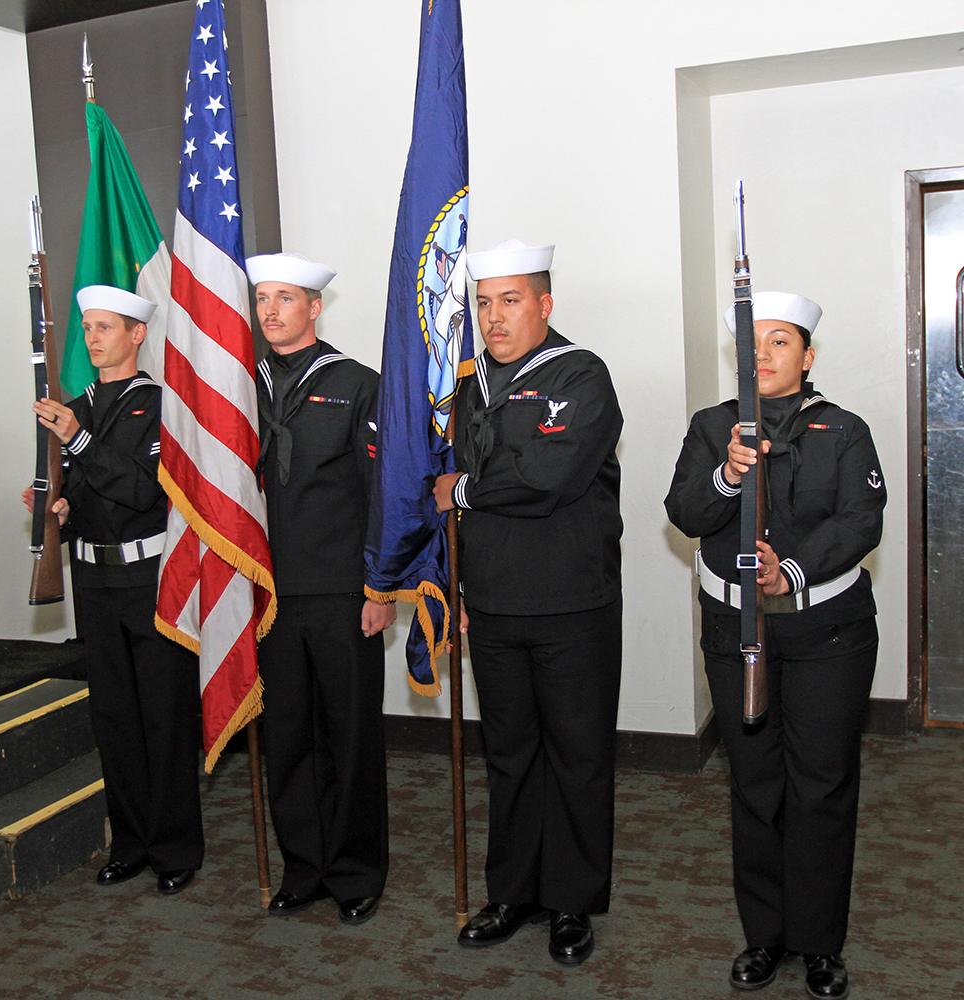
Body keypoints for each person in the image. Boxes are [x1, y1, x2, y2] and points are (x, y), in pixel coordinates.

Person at [664, 292, 885, 1000]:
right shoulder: (713, 427)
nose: (761, 354)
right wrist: (727, 475)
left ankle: (819, 943)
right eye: (751, 341)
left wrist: (791, 568)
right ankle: (764, 936)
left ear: (807, 355)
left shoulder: (844, 429)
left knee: (820, 784)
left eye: (779, 341)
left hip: (828, 633)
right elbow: (684, 512)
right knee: (755, 783)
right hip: (736, 636)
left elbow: (861, 520)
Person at [434, 239, 623, 966]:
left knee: (577, 755)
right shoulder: (470, 385)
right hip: (493, 601)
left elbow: (548, 476)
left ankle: (572, 901)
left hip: (572, 601)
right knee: (509, 755)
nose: (494, 317)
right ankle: (514, 892)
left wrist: (466, 489)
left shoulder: (581, 375)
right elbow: (456, 493)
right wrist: (460, 588)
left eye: (510, 301)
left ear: (544, 304)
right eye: (484, 303)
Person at [24, 284, 204, 894]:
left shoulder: (160, 405)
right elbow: (86, 493)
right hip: (93, 579)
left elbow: (144, 490)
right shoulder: (76, 407)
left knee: (164, 715)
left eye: (106, 327)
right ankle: (130, 843)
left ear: (137, 334)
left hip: (149, 579)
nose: (93, 337)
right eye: (88, 327)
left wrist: (79, 441)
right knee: (114, 717)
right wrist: (57, 507)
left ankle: (175, 848)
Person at [246, 252, 395, 925]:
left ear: (315, 307)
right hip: (268, 594)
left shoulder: (356, 384)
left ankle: (355, 871)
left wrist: (380, 587)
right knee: (287, 736)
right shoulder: (236, 387)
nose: (271, 311)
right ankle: (303, 867)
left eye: (286, 298)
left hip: (341, 592)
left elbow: (382, 493)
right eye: (263, 299)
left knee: (349, 735)